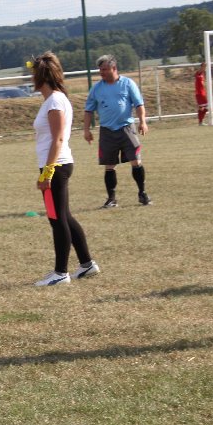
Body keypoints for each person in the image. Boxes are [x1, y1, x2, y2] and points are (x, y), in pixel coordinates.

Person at [31, 52, 99, 286]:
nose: (31, 79)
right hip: (56, 165)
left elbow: (58, 139)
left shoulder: (55, 101)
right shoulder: (53, 100)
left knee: (56, 218)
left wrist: (47, 173)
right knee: (65, 216)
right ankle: (87, 264)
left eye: (33, 74)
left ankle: (60, 273)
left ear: (41, 76)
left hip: (56, 167)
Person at [83, 54, 151, 208]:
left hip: (127, 128)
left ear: (114, 68)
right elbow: (88, 111)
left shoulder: (128, 83)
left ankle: (142, 193)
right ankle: (111, 199)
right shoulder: (96, 89)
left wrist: (142, 122)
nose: (101, 72)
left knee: (136, 161)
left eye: (104, 69)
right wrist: (86, 130)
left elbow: (139, 104)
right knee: (109, 165)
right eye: (100, 70)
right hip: (107, 131)